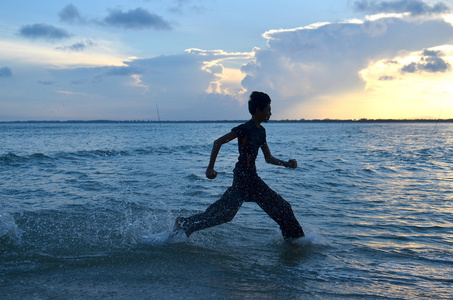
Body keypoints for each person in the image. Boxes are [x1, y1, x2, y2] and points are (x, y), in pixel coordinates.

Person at [174, 91, 304, 240]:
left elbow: (268, 158)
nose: (270, 113)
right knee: (281, 209)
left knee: (226, 215)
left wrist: (286, 164)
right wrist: (210, 168)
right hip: (244, 179)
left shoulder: (261, 131)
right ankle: (296, 242)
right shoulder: (245, 129)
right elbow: (218, 142)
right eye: (268, 110)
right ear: (258, 110)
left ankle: (185, 223)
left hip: (250, 179)